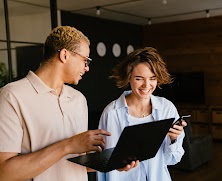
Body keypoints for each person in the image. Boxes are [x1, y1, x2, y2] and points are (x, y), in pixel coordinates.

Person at [0, 26, 138, 181]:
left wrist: (112, 163)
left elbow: (74, 164)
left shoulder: (78, 99)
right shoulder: (12, 96)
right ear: (64, 55)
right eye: (85, 60)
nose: (87, 68)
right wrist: (67, 146)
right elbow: (4, 172)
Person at [97, 47, 187, 181]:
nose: (147, 85)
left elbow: (172, 160)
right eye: (139, 78)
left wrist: (173, 140)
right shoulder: (111, 113)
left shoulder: (167, 108)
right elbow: (103, 162)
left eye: (152, 78)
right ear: (129, 78)